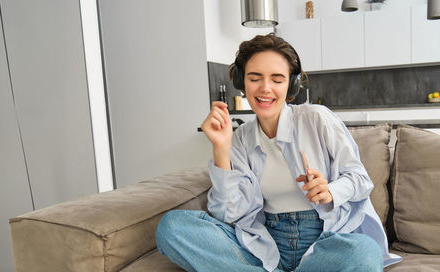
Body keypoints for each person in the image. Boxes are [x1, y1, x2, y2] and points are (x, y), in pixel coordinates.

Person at [155, 33, 400, 272]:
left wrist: (329, 191)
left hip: (324, 242)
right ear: (242, 82)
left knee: (363, 252)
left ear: (291, 83)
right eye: (255, 78)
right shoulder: (239, 139)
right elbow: (228, 213)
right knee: (172, 227)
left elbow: (360, 179)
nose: (265, 88)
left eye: (277, 79)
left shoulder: (317, 118)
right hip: (262, 244)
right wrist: (221, 148)